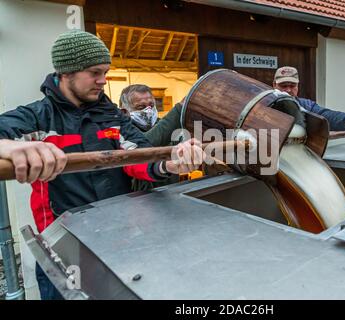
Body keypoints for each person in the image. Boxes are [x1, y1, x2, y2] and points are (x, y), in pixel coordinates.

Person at [0, 30, 204, 299]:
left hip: (118, 240)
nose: (103, 81)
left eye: (105, 72)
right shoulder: (39, 118)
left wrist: (169, 165)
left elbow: (141, 157)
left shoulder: (111, 117)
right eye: (95, 73)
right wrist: (10, 146)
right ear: (66, 72)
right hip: (62, 248)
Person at [273, 66, 345, 138]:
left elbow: (326, 115)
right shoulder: (264, 104)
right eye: (284, 86)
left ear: (298, 86)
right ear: (274, 85)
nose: (289, 90)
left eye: (292, 86)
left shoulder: (306, 105)